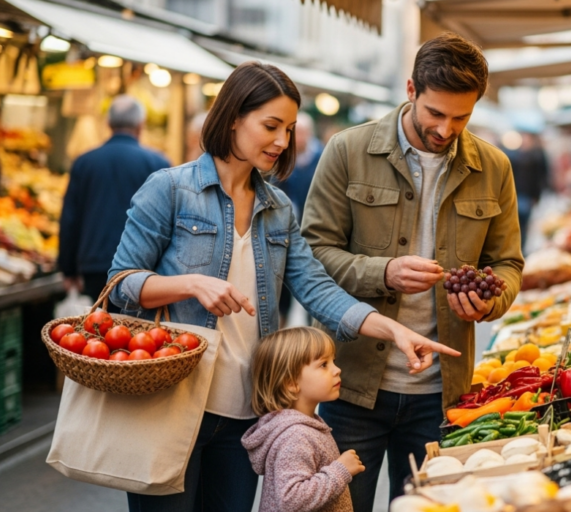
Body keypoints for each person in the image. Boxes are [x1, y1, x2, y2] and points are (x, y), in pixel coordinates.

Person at [108, 61, 460, 511]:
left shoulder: (277, 208)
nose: (281, 141)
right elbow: (121, 282)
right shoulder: (170, 190)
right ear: (233, 117)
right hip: (172, 405)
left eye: (289, 128)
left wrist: (392, 330)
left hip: (247, 417)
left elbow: (317, 288)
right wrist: (191, 284)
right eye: (270, 125)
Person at [302, 32, 524, 512]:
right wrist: (383, 272)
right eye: (435, 114)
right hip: (353, 385)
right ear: (411, 90)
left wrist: (493, 299)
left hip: (443, 395)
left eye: (461, 117)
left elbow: (507, 263)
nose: (446, 129)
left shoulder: (494, 167)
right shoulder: (347, 150)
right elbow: (312, 254)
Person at [58, 95, 170, 310]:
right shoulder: (158, 164)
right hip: (142, 271)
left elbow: (70, 219)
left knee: (97, 332)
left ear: (108, 124)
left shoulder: (84, 162)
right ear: (140, 125)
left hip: (94, 264)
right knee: (135, 335)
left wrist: (68, 270)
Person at [242, 326, 362, 512]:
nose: (337, 370)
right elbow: (291, 500)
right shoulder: (296, 436)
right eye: (324, 364)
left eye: (333, 361)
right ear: (291, 383)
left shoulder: (304, 427)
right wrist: (341, 470)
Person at [274, 112, 323, 324]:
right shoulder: (283, 156)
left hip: (314, 230)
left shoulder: (322, 158)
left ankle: (310, 329)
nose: (298, 138)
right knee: (283, 284)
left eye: (302, 133)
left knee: (311, 281)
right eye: (295, 133)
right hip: (286, 229)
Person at [506, 132, 549, 251]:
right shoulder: (514, 155)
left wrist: (537, 196)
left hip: (527, 196)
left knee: (523, 224)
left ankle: (521, 248)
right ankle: (515, 248)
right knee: (514, 224)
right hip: (515, 194)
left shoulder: (537, 155)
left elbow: (540, 177)